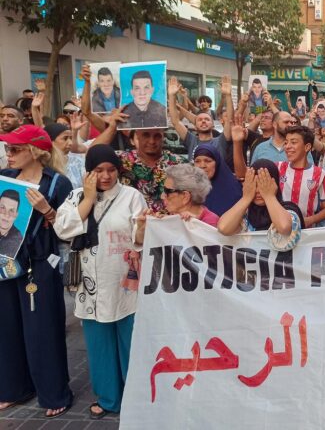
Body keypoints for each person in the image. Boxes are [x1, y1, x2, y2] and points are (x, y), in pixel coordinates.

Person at [53, 144, 146, 419]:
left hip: (124, 281)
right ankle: (109, 399)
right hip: (89, 284)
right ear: (88, 172)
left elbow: (140, 237)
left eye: (111, 170)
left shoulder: (131, 196)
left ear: (118, 171)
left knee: (130, 342)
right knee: (99, 345)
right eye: (98, 170)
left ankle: (136, 398)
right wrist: (89, 198)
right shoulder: (76, 196)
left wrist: (143, 227)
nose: (105, 176)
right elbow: (63, 229)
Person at [0, 125, 73, 419]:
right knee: (6, 328)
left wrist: (46, 210)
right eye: (8, 148)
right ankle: (13, 388)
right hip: (5, 262)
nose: (9, 153)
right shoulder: (6, 177)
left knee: (42, 330)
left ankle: (54, 393)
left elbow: (69, 230)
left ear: (34, 151)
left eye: (15, 149)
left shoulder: (56, 183)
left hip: (39, 264)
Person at [91, 112, 183, 212]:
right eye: (146, 135)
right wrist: (112, 128)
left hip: (169, 220)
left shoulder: (178, 163)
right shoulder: (121, 159)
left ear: (163, 137)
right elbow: (92, 155)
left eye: (157, 136)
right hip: (128, 220)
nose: (152, 141)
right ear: (137, 136)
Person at [218, 160, 303, 252]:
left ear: (275, 185)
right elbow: (223, 228)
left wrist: (269, 196)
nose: (258, 191)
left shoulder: (288, 209)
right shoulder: (247, 215)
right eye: (254, 185)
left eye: (263, 184)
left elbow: (284, 227)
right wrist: (246, 198)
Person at [275, 125, 325, 227]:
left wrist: (309, 220)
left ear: (307, 147)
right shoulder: (277, 167)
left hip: (308, 233)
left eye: (293, 142)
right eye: (286, 142)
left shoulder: (320, 174)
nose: (287, 147)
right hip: (280, 229)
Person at [168, 76, 232, 159]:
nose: (203, 121)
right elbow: (175, 122)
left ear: (213, 125)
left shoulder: (221, 141)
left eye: (207, 119)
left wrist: (228, 96)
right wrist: (172, 96)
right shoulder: (191, 140)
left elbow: (230, 120)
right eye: (200, 120)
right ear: (195, 126)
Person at [151, 164, 218, 227]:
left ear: (185, 197)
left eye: (167, 191)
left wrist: (195, 225)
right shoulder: (170, 215)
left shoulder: (210, 223)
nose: (162, 196)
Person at [193, 143, 241, 217]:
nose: (202, 166)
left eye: (208, 161)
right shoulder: (189, 189)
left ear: (217, 163)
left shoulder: (233, 189)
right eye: (197, 161)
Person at [45, 123, 85, 189]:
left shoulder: (78, 162)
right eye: (65, 138)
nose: (70, 143)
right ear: (51, 141)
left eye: (70, 138)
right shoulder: (42, 165)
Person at [0, 189, 23, 257]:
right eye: (2, 208)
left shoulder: (18, 241)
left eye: (11, 210)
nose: (6, 215)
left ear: (16, 215)